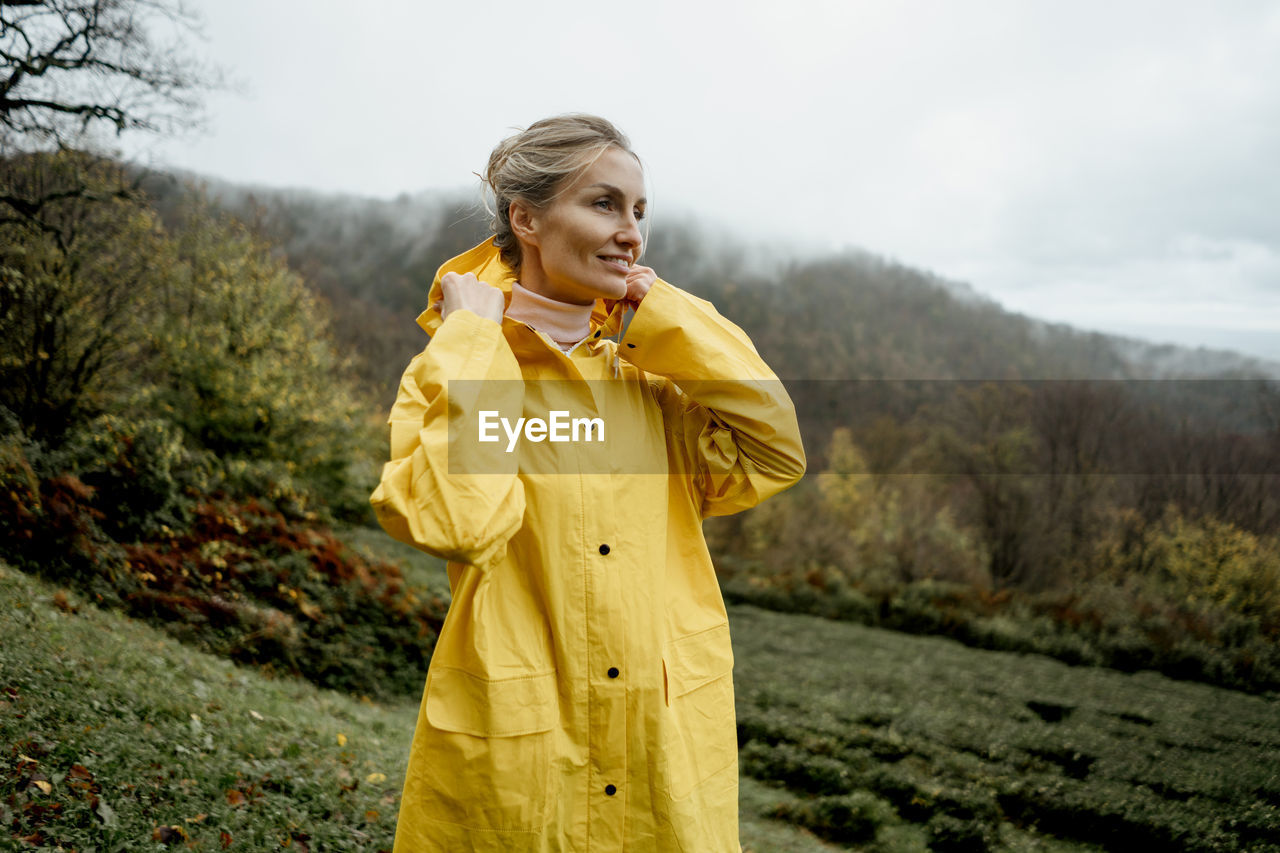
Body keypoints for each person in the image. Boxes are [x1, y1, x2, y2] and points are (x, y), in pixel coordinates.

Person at [370, 114, 806, 853]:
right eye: (604, 204)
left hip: (659, 758)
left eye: (639, 211)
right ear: (526, 216)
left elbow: (775, 449)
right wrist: (474, 340)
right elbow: (458, 520)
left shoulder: (651, 382)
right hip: (519, 762)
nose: (631, 232)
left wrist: (666, 316)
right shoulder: (460, 368)